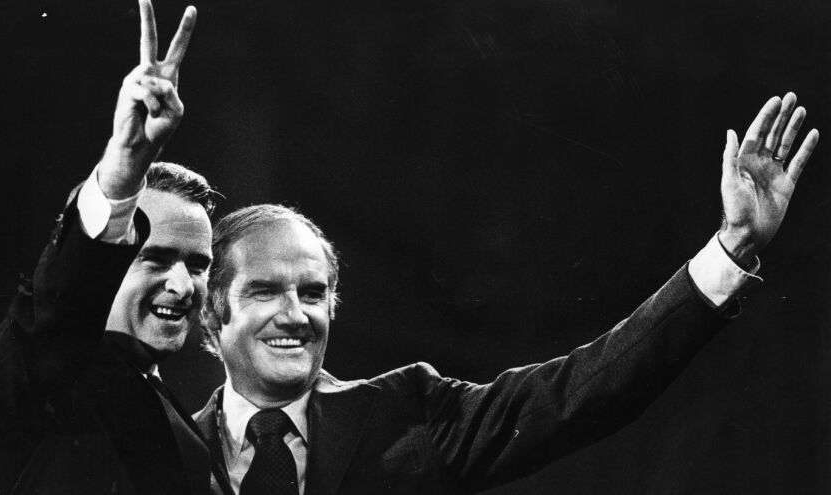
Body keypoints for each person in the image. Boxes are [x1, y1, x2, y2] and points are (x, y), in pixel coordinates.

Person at [194, 93, 818, 495]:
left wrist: (732, 246)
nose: (295, 314)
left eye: (312, 291)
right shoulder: (165, 445)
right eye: (266, 292)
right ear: (212, 312)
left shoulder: (408, 414)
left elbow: (581, 392)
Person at [0, 1, 233, 494]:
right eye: (153, 257)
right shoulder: (50, 370)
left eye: (197, 265)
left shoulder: (165, 401)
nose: (182, 285)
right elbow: (59, 308)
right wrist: (125, 163)